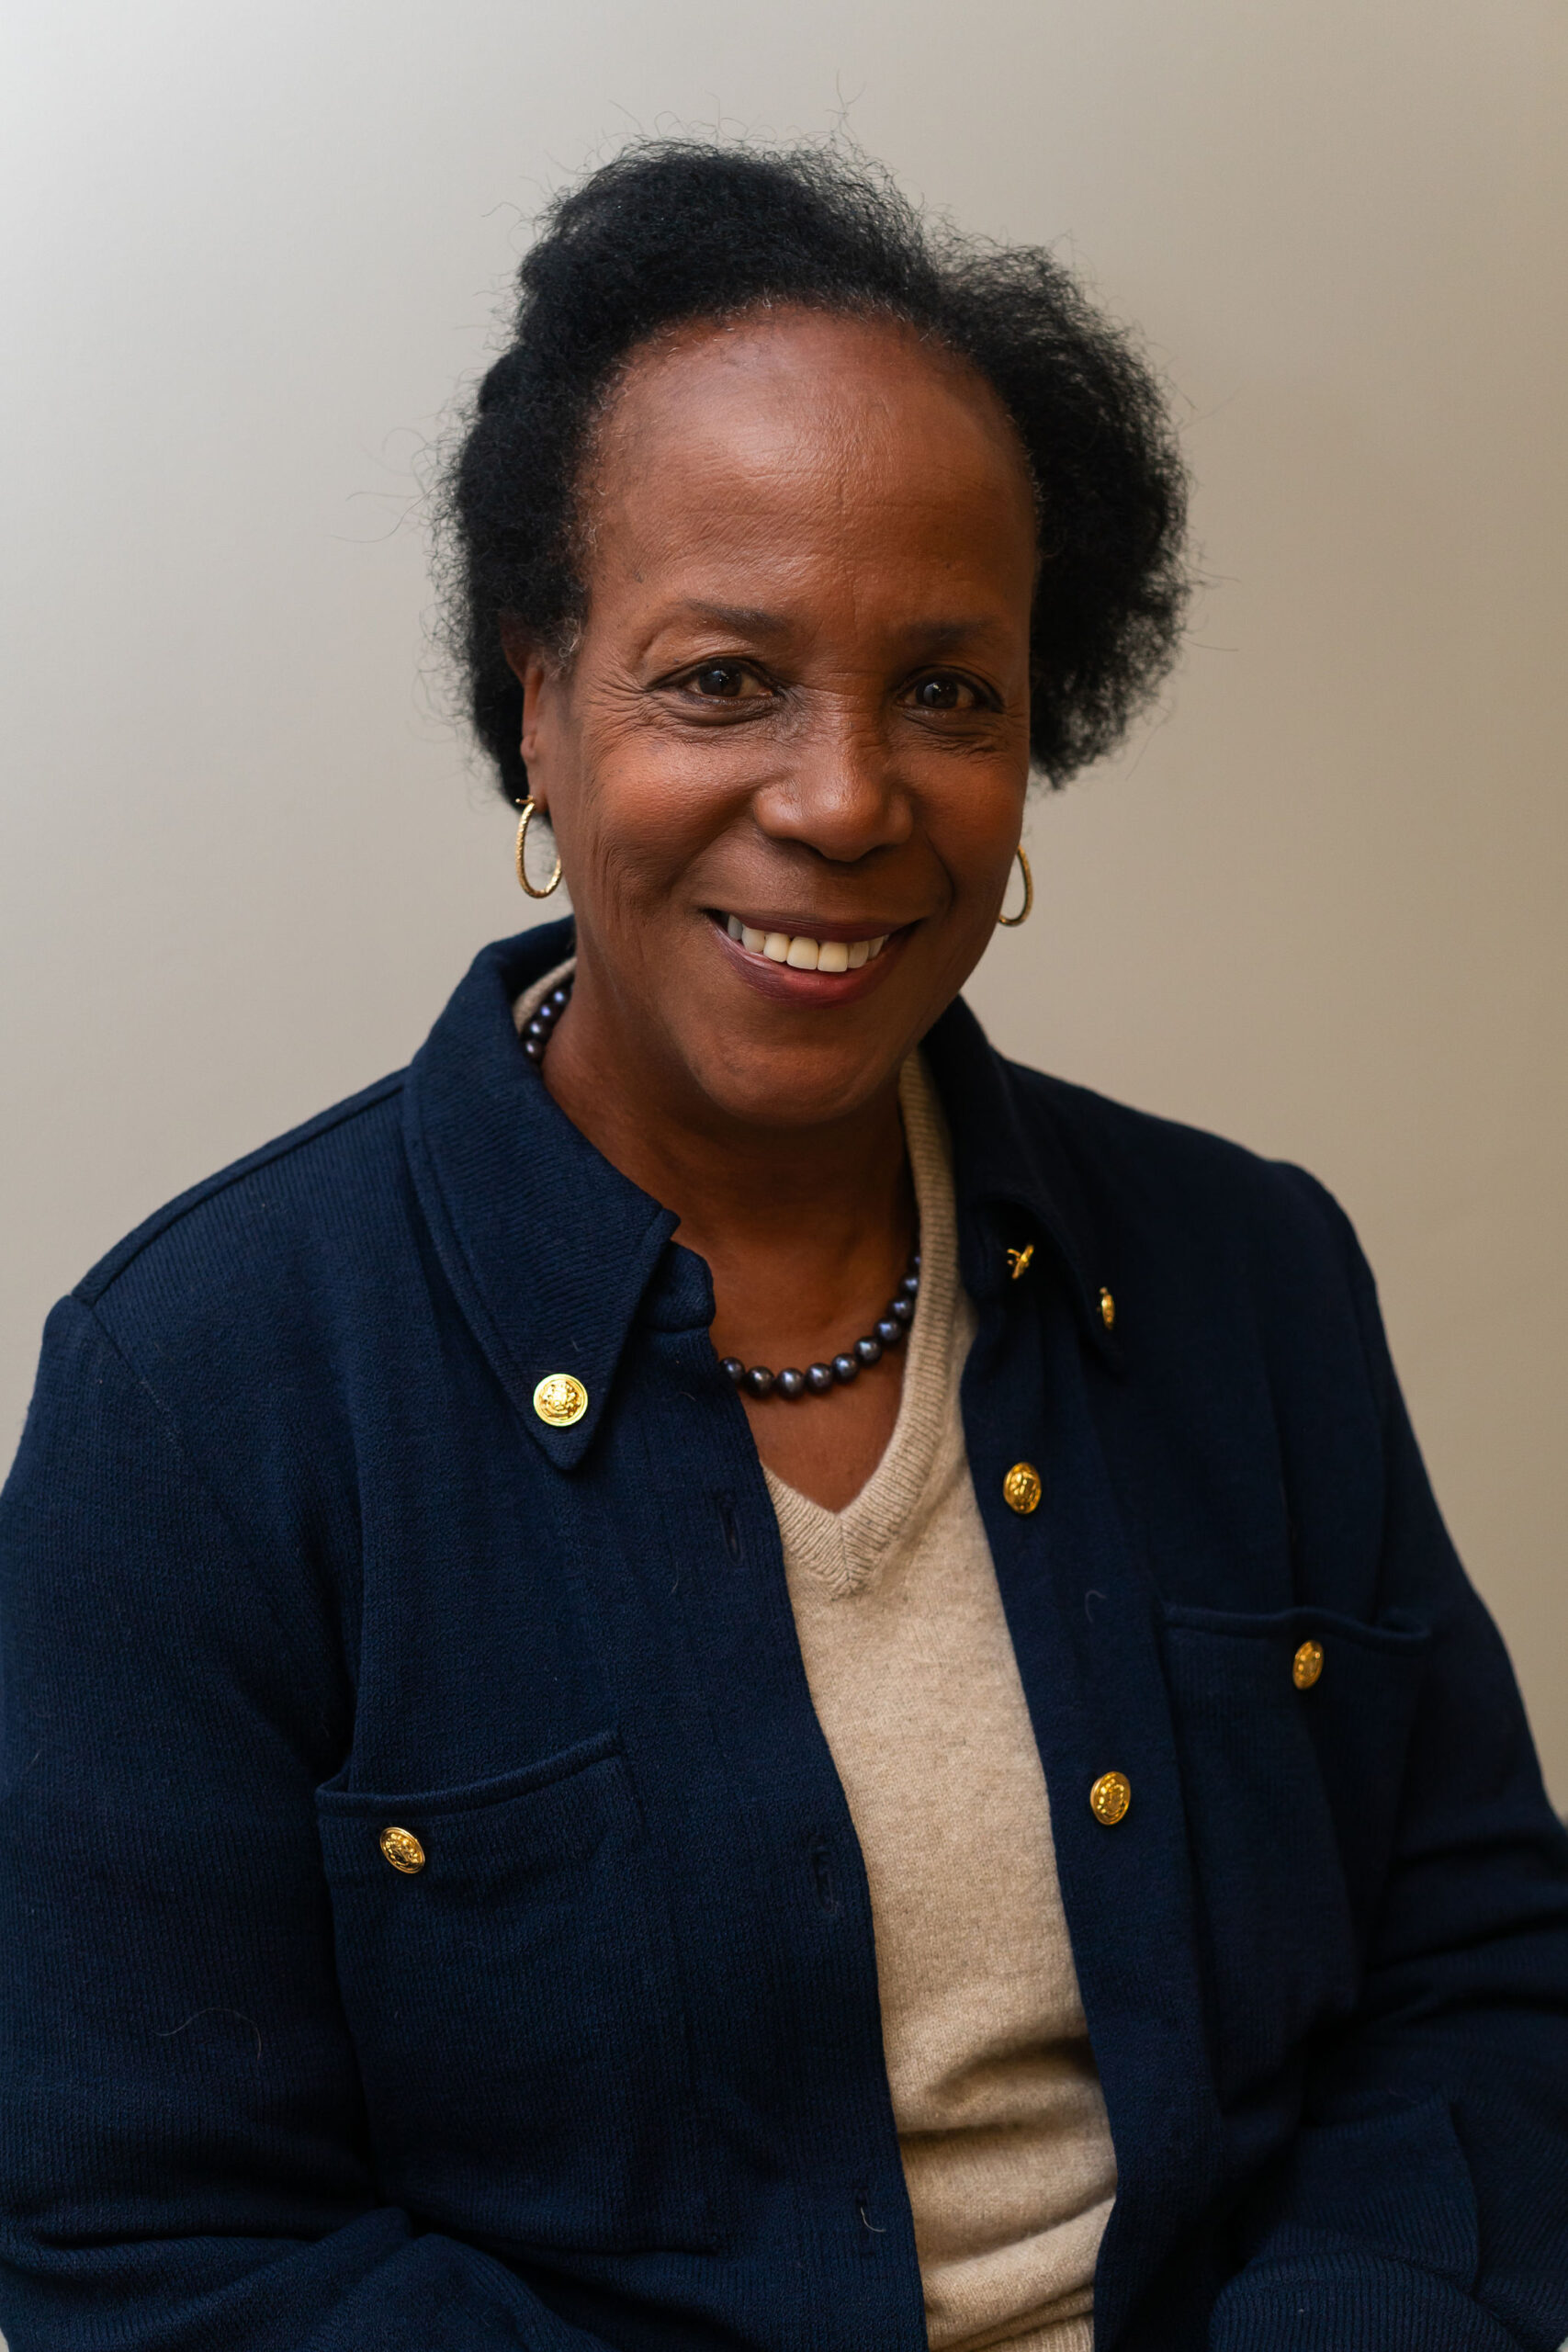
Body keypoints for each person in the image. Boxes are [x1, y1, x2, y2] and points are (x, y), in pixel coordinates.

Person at [1, 141, 1564, 2352]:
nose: (843, 798)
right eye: (721, 676)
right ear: (534, 702)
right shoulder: (200, 1403)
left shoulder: (1251, 1279)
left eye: (947, 691)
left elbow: (1474, 1974)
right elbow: (158, 2249)